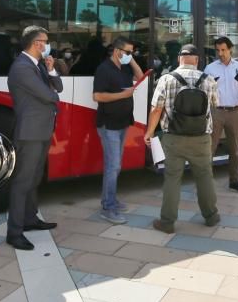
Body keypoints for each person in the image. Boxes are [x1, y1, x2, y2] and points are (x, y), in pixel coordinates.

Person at [143, 44, 221, 234]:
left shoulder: (166, 79)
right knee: (204, 177)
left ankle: (167, 222)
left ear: (179, 58)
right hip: (201, 138)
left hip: (173, 137)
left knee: (172, 179)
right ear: (196, 60)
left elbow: (156, 109)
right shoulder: (209, 80)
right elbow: (215, 106)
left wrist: (149, 132)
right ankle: (211, 216)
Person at [5, 26, 63, 250]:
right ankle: (15, 232)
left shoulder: (37, 65)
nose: (47, 45)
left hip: (41, 130)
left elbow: (57, 86)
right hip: (30, 132)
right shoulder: (21, 67)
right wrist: (52, 91)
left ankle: (30, 219)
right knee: (22, 181)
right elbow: (49, 95)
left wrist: (51, 70)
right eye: (45, 41)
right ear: (36, 43)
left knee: (34, 178)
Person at [92, 36, 146, 225]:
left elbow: (140, 78)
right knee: (113, 166)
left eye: (132, 53)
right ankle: (108, 207)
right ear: (117, 51)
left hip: (122, 122)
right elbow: (97, 96)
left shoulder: (124, 68)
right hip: (109, 125)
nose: (130, 56)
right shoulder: (104, 69)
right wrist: (123, 94)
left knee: (116, 165)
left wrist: (131, 59)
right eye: (128, 52)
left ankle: (111, 200)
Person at [204, 36, 238, 193]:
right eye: (218, 50)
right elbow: (203, 91)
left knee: (235, 150)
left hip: (234, 112)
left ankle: (235, 181)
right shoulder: (210, 69)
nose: (220, 53)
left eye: (223, 50)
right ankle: (206, 183)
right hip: (216, 112)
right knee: (209, 149)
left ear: (230, 49)